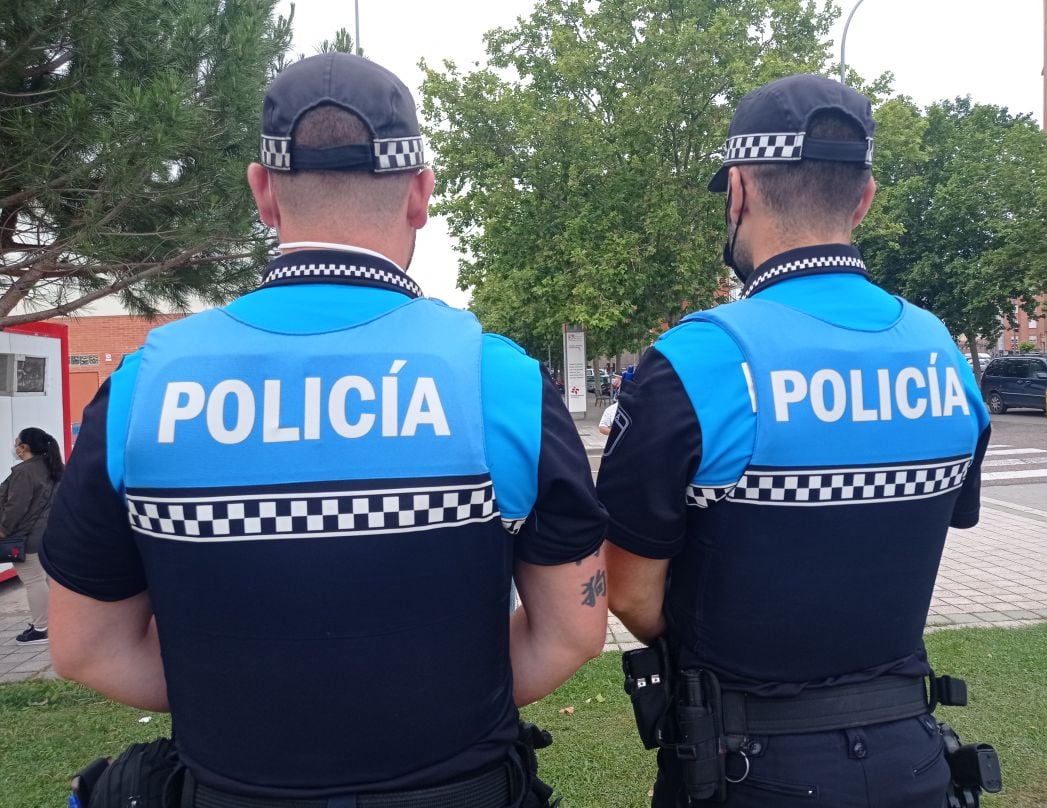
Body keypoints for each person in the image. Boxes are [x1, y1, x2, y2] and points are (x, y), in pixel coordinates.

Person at [41, 53, 608, 807]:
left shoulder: (147, 387)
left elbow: (85, 645)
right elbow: (569, 633)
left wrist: (251, 705)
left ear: (263, 192)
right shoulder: (496, 379)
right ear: (420, 194)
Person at [598, 74, 991, 808]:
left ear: (739, 190)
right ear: (865, 197)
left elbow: (628, 592)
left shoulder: (695, 363)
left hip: (745, 765)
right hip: (911, 756)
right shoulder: (942, 352)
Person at [1, 427, 63, 644]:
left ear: (24, 447)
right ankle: (52, 623)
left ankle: (42, 628)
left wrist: (3, 530)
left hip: (25, 537)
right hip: (46, 534)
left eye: (17, 443)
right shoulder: (51, 466)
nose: (15, 447)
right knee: (44, 579)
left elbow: (15, 506)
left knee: (33, 580)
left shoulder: (25, 472)